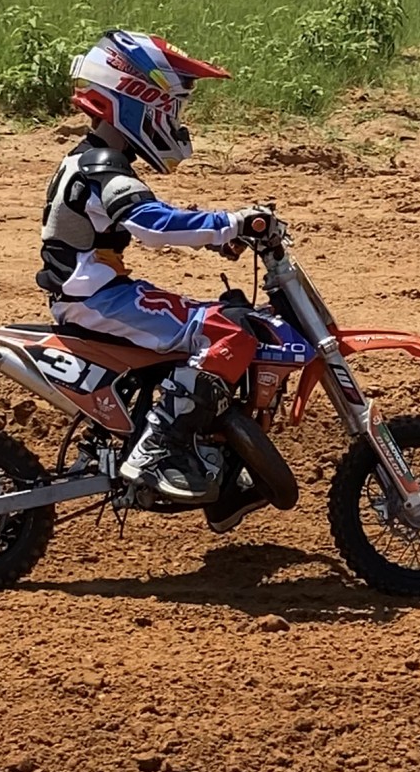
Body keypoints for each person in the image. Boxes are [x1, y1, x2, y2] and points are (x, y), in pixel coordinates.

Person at [36, 29, 277, 508]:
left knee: (226, 319)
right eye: (171, 109)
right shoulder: (101, 165)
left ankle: (219, 471)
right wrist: (230, 223)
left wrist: (219, 237)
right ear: (138, 100)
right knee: (227, 334)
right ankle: (158, 449)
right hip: (94, 299)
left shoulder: (99, 160)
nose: (175, 121)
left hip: (99, 292)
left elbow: (149, 219)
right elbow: (151, 224)